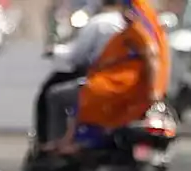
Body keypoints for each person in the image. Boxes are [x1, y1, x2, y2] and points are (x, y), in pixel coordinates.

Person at [44, 0, 169, 154]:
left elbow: (76, 55)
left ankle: (65, 143)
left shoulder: (136, 29)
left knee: (61, 95)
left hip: (116, 85)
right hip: (124, 84)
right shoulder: (138, 29)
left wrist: (154, 93)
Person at [41, 0, 126, 152]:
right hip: (130, 85)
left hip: (104, 84)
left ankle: (57, 145)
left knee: (55, 95)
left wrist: (54, 50)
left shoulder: (99, 23)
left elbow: (77, 55)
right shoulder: (133, 24)